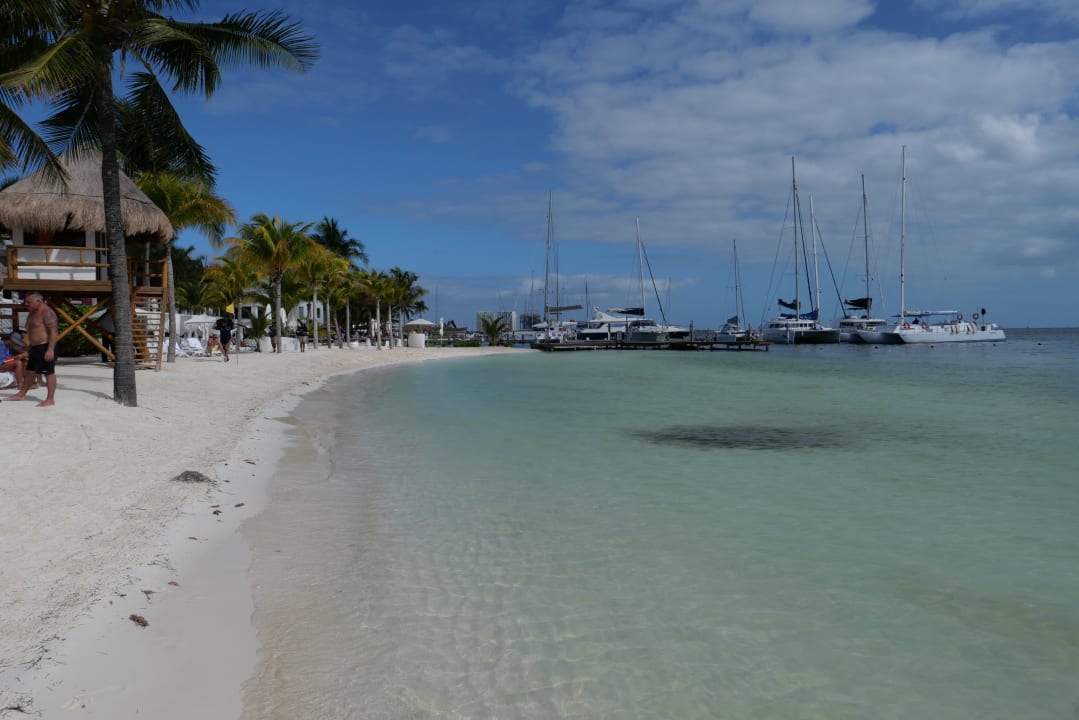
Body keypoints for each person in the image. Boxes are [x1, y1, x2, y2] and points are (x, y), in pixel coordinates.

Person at [8, 292, 59, 407]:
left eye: (29, 302)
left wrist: (50, 349)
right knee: (30, 371)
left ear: (38, 302)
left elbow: (53, 332)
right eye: (26, 302)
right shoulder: (33, 312)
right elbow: (32, 330)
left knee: (49, 372)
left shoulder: (47, 313)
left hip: (46, 346)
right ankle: (21, 394)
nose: (26, 304)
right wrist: (29, 346)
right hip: (35, 347)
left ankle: (50, 399)